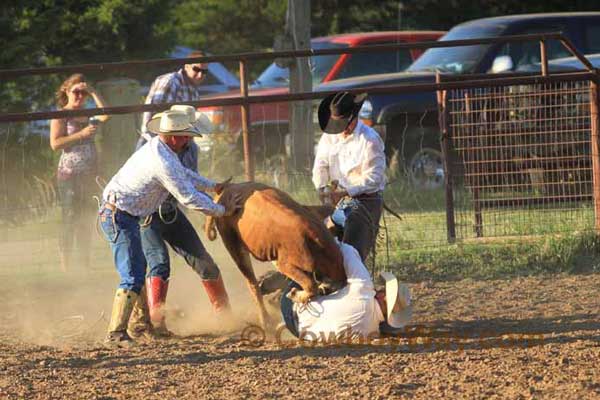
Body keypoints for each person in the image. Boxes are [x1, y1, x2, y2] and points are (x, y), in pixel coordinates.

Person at [98, 111, 240, 347]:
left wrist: (212, 186)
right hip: (120, 215)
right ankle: (116, 334)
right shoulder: (162, 160)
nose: (188, 140)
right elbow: (187, 196)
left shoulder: (160, 148)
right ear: (174, 137)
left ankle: (142, 325)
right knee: (133, 273)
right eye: (185, 136)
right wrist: (221, 210)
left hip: (125, 213)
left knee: (138, 269)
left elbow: (184, 175)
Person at [129, 105, 232, 339]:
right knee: (159, 262)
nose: (190, 137)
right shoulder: (151, 148)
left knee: (204, 262)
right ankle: (156, 323)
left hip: (171, 210)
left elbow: (188, 181)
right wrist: (217, 210)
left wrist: (209, 196)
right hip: (147, 212)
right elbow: (181, 188)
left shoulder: (189, 149)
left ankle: (226, 318)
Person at [279, 239, 412, 342]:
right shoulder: (371, 333)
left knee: (312, 269)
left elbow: (348, 251)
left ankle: (273, 280)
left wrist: (326, 237)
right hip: (297, 332)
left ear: (384, 296)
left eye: (383, 289)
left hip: (290, 306)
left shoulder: (364, 289)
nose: (380, 289)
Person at [312, 91, 386, 261]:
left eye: (345, 123)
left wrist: (346, 192)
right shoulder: (329, 137)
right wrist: (321, 188)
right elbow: (320, 166)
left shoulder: (369, 140)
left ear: (354, 117)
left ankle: (353, 274)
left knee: (351, 247)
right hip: (338, 200)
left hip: (365, 200)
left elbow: (374, 179)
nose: (342, 129)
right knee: (319, 230)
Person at [50, 73, 109, 271]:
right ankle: (65, 266)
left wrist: (94, 92)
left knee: (86, 218)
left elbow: (107, 113)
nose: (80, 96)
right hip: (69, 174)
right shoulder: (61, 114)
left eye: (84, 93)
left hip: (89, 174)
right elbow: (55, 143)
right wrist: (81, 134)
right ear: (66, 91)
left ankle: (85, 264)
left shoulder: (89, 113)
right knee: (70, 218)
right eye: (77, 92)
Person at [140, 50, 209, 144]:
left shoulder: (194, 91)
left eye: (204, 71)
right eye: (196, 69)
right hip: (155, 141)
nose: (200, 74)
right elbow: (156, 115)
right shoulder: (170, 81)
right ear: (186, 66)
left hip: (177, 143)